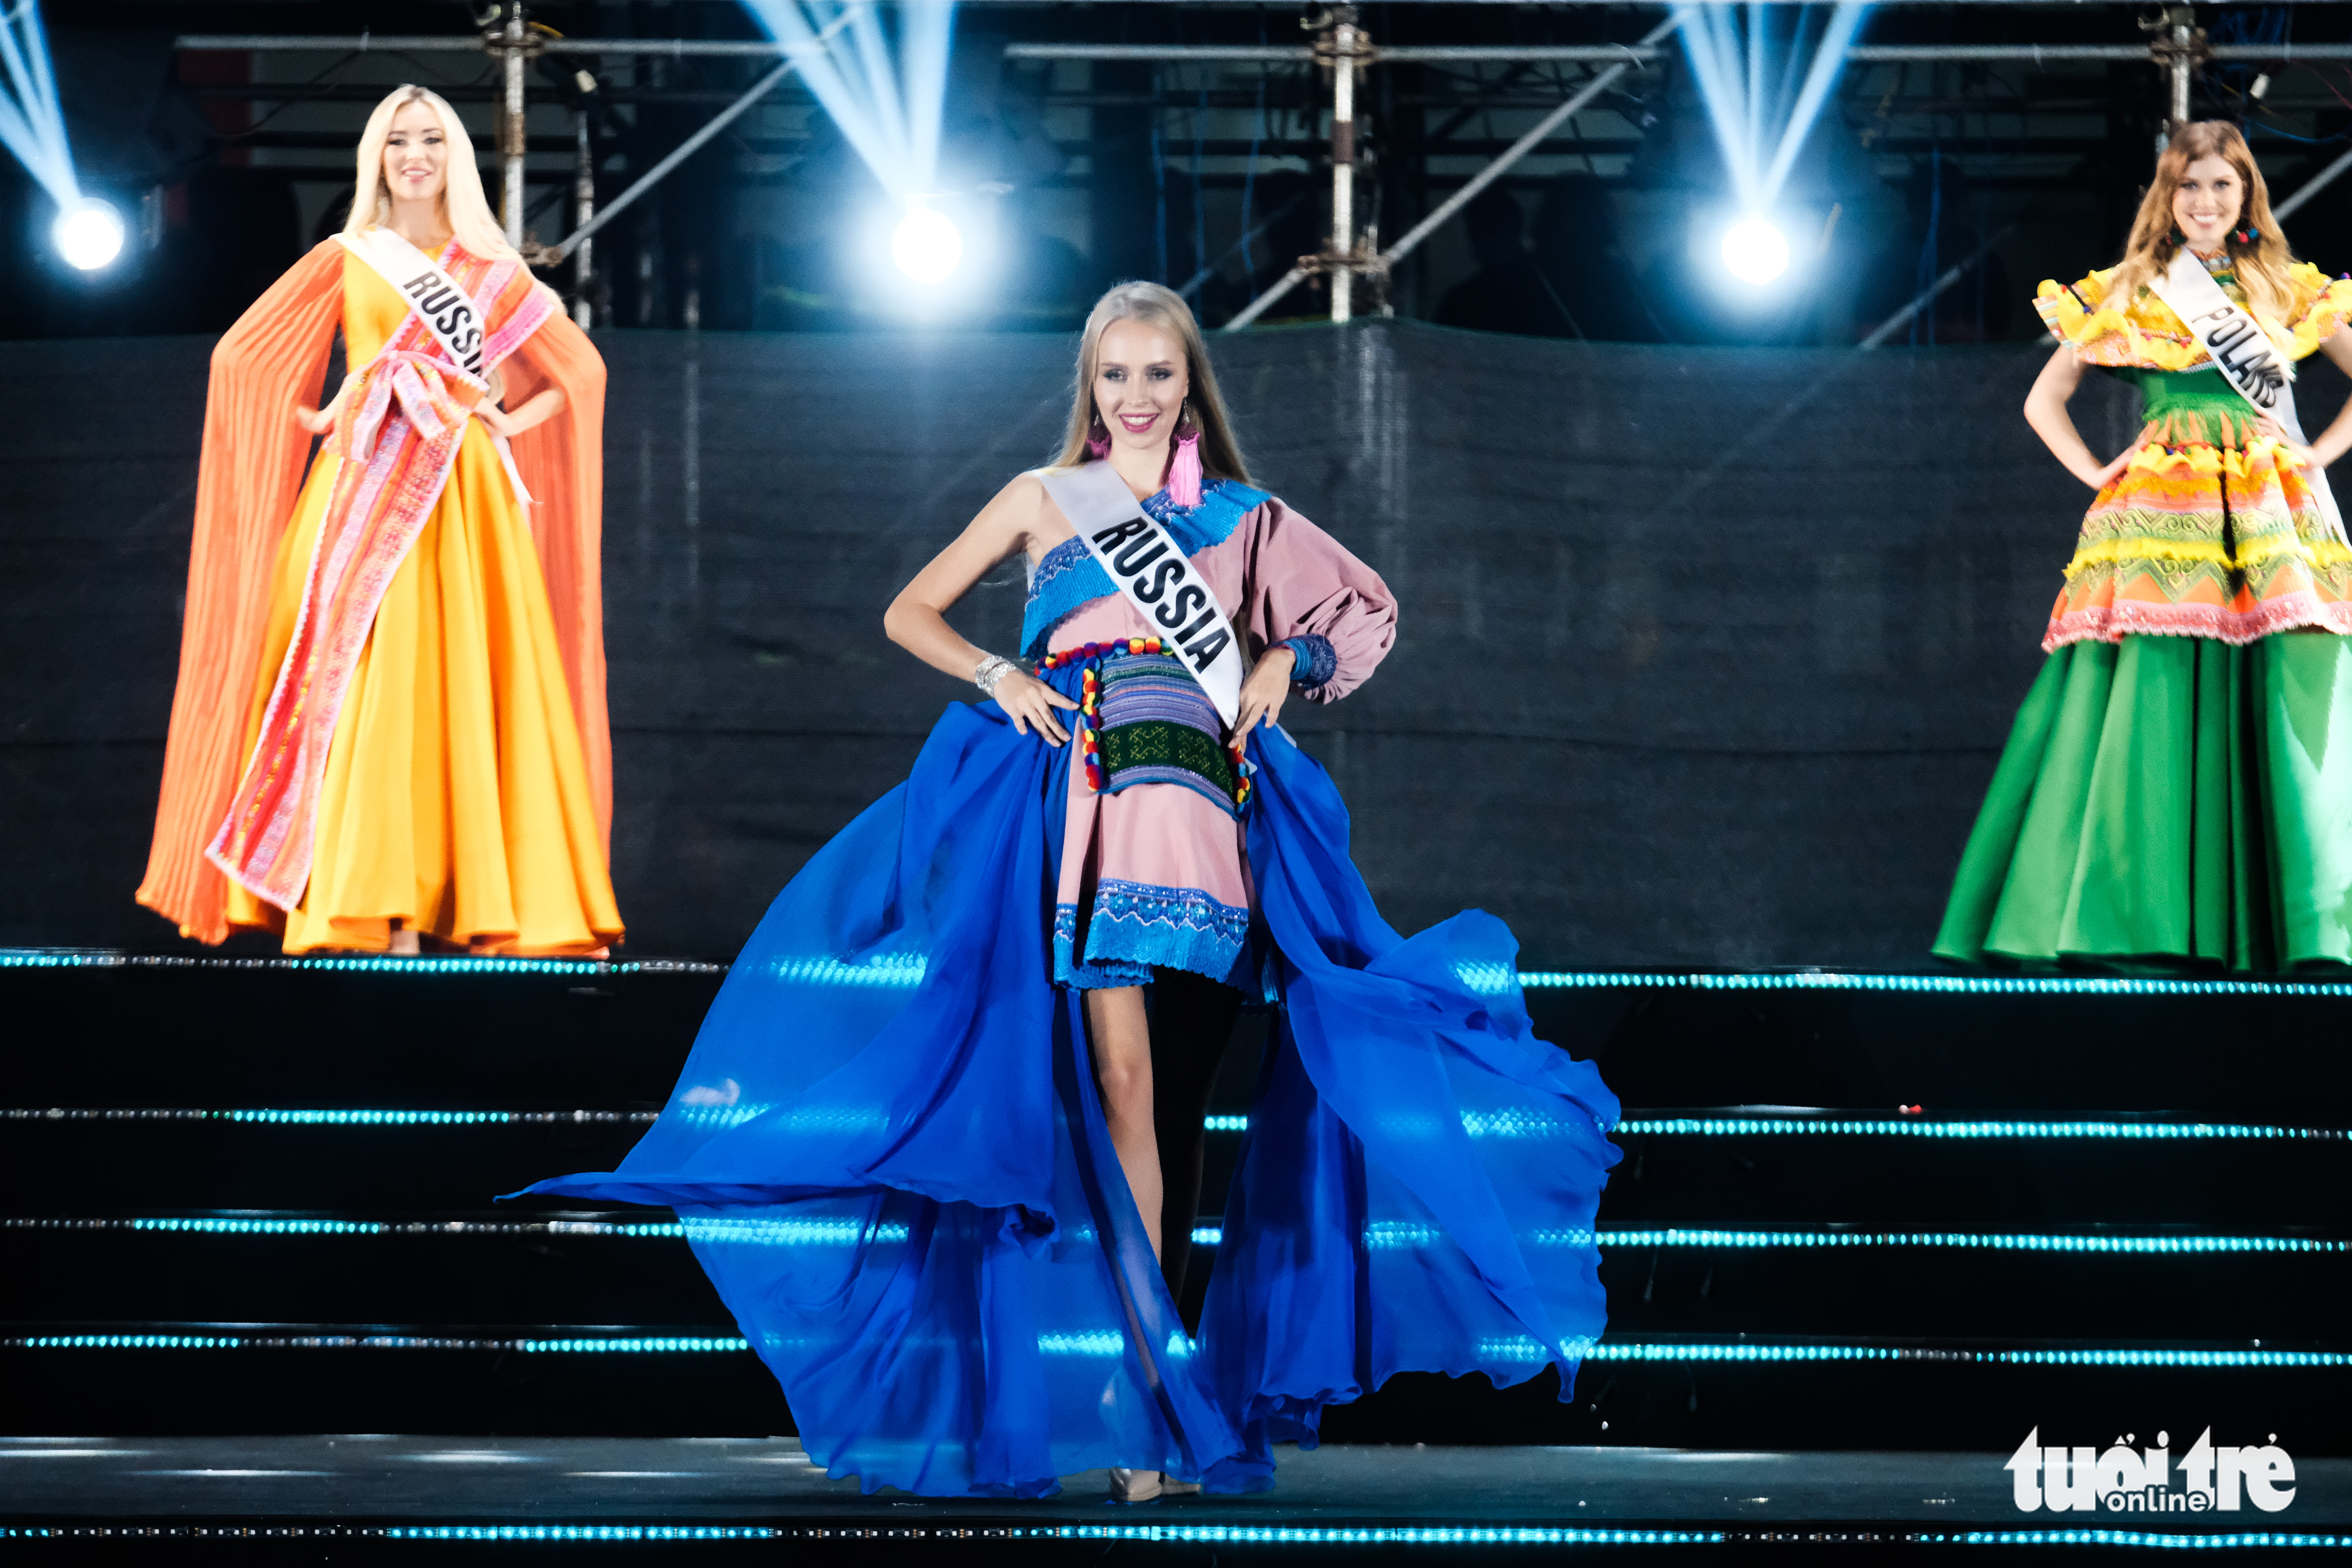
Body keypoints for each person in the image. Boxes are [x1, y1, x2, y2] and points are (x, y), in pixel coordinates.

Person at [516, 283, 1619, 1500]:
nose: (1136, 396)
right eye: (1115, 374)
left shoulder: (1246, 517)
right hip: (1082, 820)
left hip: (1208, 829)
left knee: (1177, 1105)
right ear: (1090, 387)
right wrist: (999, 672)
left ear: (1190, 389)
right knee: (1124, 1095)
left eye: (1158, 374)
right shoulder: (1043, 497)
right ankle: (1141, 1416)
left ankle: (1155, 1401)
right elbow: (908, 611)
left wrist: (1280, 656)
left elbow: (1364, 615)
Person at [136, 85, 622, 957]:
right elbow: (242, 357)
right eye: (398, 141)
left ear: (455, 155)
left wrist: (502, 419)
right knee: (356, 682)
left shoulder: (492, 269)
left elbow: (579, 371)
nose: (415, 156)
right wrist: (318, 412)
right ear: (376, 157)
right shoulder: (349, 255)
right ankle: (364, 901)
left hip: (460, 494)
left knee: (449, 685)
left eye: (432, 139)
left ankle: (437, 899)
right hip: (359, 481)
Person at [1936, 121, 2352, 971]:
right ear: (2166, 196)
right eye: (2189, 185)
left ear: (2246, 195)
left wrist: (2316, 454)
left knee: (2284, 673)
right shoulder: (2131, 288)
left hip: (2266, 505)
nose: (2205, 201)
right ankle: (2134, 913)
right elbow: (2043, 401)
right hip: (2164, 507)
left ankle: (2300, 920)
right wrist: (2095, 470)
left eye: (2222, 185)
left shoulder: (2287, 286)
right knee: (2150, 678)